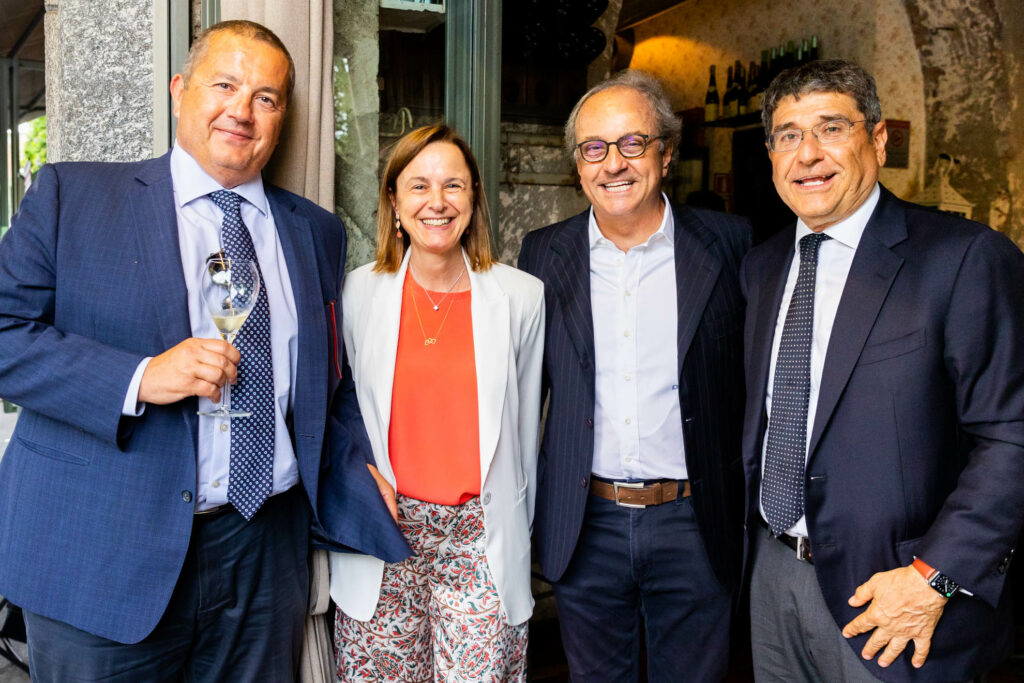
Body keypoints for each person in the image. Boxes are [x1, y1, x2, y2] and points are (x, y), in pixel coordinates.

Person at [0, 20, 408, 681]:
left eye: (266, 98)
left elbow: (326, 381)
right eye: (224, 85)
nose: (241, 110)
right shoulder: (74, 196)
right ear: (179, 90)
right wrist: (139, 377)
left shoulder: (316, 233)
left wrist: (359, 461)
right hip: (105, 553)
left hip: (264, 555)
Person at [741, 58, 1024, 682]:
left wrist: (934, 579)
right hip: (773, 576)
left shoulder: (964, 258)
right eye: (789, 135)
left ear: (878, 138)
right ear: (771, 155)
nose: (808, 154)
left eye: (831, 128)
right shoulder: (762, 268)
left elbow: (1012, 436)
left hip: (899, 597)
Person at [517, 70, 750, 682]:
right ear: (578, 165)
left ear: (666, 154)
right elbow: (521, 393)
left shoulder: (732, 244)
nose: (613, 163)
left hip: (695, 521)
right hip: (585, 522)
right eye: (594, 148)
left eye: (632, 143)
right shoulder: (543, 254)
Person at [330, 124, 545, 682]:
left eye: (453, 185)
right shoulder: (356, 293)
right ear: (394, 202)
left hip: (480, 542)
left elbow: (525, 432)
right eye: (419, 185)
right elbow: (340, 410)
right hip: (384, 533)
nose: (437, 201)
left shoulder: (521, 297)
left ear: (473, 199)